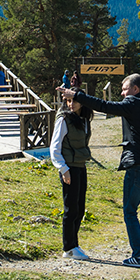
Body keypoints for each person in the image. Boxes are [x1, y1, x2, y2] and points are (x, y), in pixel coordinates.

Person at [62, 73, 140, 268]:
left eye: (125, 89)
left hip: (138, 165)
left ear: (135, 89)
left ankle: (139, 255)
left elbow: (104, 106)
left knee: (130, 211)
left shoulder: (133, 103)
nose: (123, 93)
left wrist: (76, 95)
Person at [50, 95, 94, 260]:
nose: (71, 104)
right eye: (68, 101)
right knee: (71, 208)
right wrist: (63, 169)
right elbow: (55, 146)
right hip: (69, 167)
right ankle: (68, 247)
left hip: (80, 166)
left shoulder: (83, 120)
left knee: (80, 207)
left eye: (74, 100)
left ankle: (74, 244)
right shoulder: (63, 120)